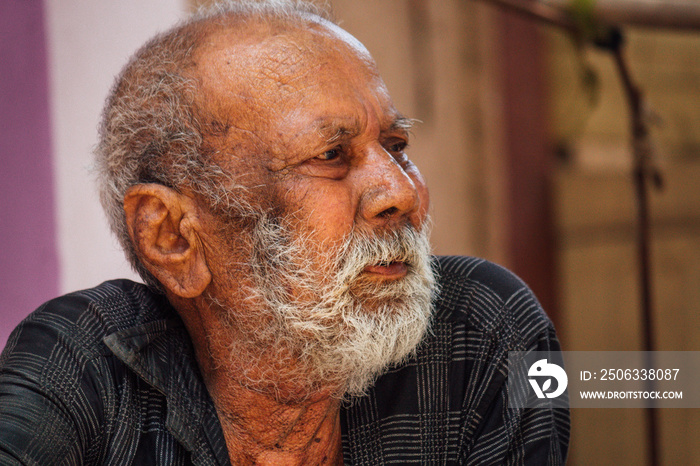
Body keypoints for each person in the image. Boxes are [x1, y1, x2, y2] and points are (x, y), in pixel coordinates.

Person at [0, 1, 569, 464]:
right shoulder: (85, 370)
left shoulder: (479, 333)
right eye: (330, 155)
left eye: (397, 147)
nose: (401, 193)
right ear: (173, 237)